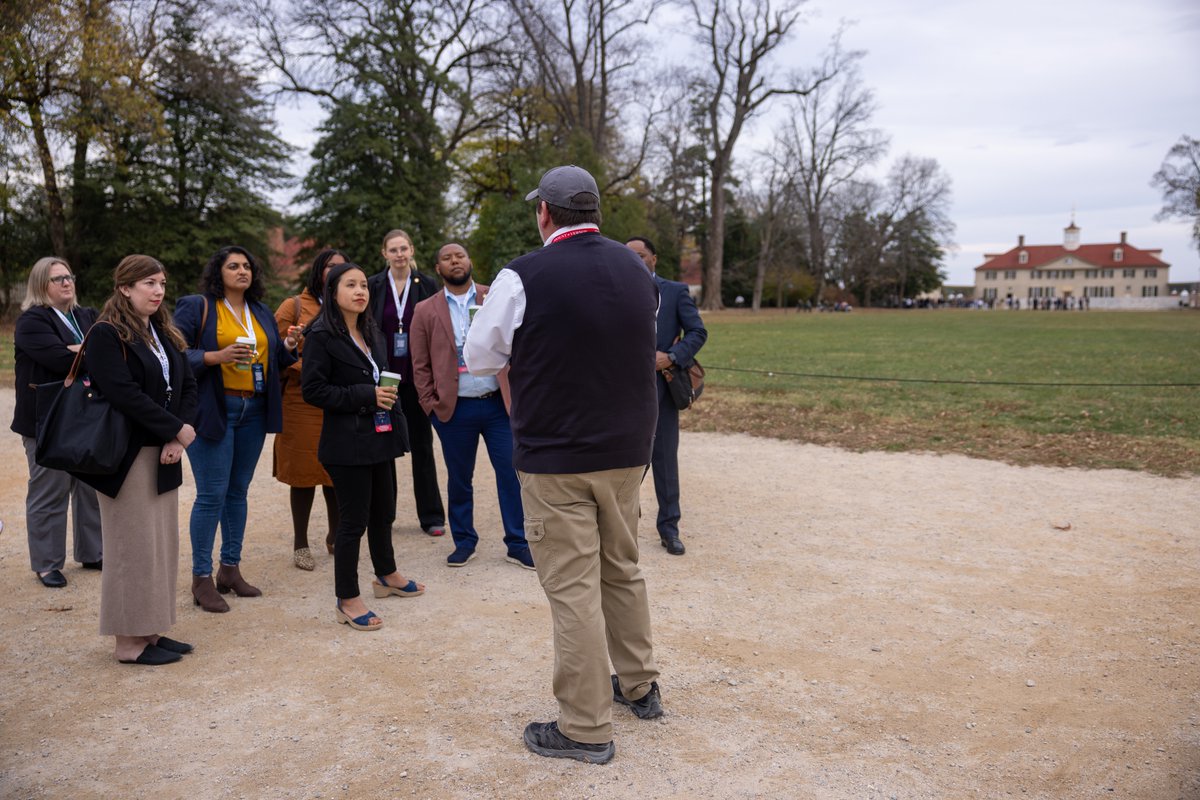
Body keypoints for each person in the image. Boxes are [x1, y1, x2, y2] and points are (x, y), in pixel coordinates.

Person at [465, 165, 664, 764]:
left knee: (573, 587)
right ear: (596, 212)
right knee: (622, 568)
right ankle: (639, 685)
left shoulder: (522, 274)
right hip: (628, 448)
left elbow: (479, 356)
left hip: (557, 453)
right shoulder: (638, 270)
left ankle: (585, 726)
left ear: (545, 213)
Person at [74, 254, 198, 665]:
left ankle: (150, 630)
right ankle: (127, 643)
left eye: (161, 282)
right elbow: (123, 394)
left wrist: (179, 434)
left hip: (163, 451)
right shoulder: (106, 334)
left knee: (160, 546)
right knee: (131, 548)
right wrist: (173, 430)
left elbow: (187, 384)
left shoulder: (161, 331)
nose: (158, 290)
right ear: (124, 288)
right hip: (126, 456)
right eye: (148, 283)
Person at [302, 262, 425, 632]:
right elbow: (313, 391)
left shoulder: (371, 330)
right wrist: (366, 395)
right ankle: (347, 598)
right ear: (333, 293)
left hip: (380, 435)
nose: (360, 291)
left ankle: (386, 574)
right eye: (350, 285)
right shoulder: (322, 335)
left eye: (363, 285)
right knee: (353, 521)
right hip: (347, 442)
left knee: (384, 511)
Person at [174, 246, 298, 613]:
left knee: (237, 492)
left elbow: (272, 358)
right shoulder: (198, 306)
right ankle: (201, 578)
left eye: (246, 265)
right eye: (233, 266)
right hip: (214, 408)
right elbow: (173, 352)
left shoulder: (259, 311)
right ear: (219, 271)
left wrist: (288, 345)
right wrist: (215, 356)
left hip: (254, 408)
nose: (242, 271)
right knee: (212, 494)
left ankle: (230, 569)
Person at [409, 243, 532, 569]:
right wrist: (429, 405)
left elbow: (520, 344)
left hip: (498, 407)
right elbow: (419, 364)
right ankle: (464, 541)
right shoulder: (425, 310)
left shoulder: (495, 297)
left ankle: (517, 543)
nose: (454, 261)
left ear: (470, 261)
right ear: (438, 268)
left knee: (510, 474)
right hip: (454, 409)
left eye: (459, 255)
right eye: (447, 258)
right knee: (459, 478)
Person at [12, 257, 103, 588]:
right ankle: (47, 563)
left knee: (92, 487)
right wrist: (83, 351)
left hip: (87, 417)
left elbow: (107, 350)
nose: (67, 283)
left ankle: (93, 552)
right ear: (41, 285)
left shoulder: (87, 315)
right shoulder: (32, 321)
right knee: (50, 490)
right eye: (57, 279)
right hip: (45, 420)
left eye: (69, 277)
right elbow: (60, 359)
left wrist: (81, 349)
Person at [625, 237, 708, 556]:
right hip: (622, 390)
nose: (635, 261)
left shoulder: (675, 292)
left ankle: (669, 527)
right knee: (624, 460)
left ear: (654, 259)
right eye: (628, 256)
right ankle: (622, 522)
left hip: (662, 387)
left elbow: (698, 331)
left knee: (664, 459)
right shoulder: (614, 289)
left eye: (641, 255)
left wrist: (672, 356)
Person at [367, 229, 447, 537]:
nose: (399, 254)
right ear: (384, 253)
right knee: (385, 448)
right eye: (393, 249)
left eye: (404, 248)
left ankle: (431, 517)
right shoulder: (373, 285)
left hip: (417, 377)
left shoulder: (426, 284)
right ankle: (384, 516)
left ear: (411, 251)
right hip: (384, 378)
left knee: (423, 447)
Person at [273, 249, 347, 571]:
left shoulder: (346, 304)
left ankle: (336, 536)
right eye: (331, 265)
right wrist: (311, 370)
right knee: (304, 475)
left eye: (342, 267)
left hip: (338, 400)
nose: (336, 270)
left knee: (337, 472)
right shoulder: (295, 306)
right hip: (301, 401)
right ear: (319, 270)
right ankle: (300, 544)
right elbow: (275, 351)